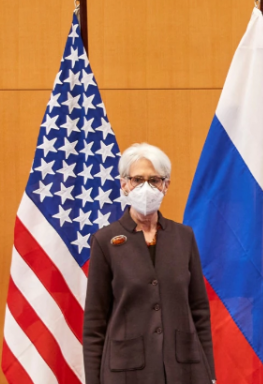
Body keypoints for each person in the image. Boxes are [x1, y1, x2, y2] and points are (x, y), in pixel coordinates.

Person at [83, 143, 216, 384]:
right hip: (126, 372)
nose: (146, 187)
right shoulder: (105, 241)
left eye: (154, 180)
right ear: (124, 184)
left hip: (184, 369)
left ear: (166, 185)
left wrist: (210, 376)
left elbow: (199, 311)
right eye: (137, 179)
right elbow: (95, 323)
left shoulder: (184, 237)